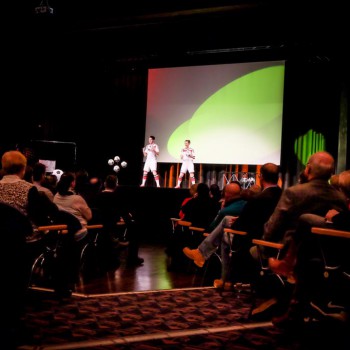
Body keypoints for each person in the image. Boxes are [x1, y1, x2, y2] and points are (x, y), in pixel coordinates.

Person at [183, 163, 282, 287]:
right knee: (227, 221)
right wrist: (240, 220)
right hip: (275, 240)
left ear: (261, 177)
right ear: (277, 177)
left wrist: (238, 222)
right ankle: (201, 254)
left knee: (226, 235)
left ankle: (225, 279)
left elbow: (241, 226)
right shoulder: (282, 195)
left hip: (254, 240)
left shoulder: (259, 199)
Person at [92, 174, 144, 267]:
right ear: (116, 185)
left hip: (97, 225)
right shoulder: (118, 198)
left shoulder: (96, 196)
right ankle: (132, 258)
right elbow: (125, 213)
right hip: (112, 225)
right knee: (135, 228)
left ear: (105, 184)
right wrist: (129, 221)